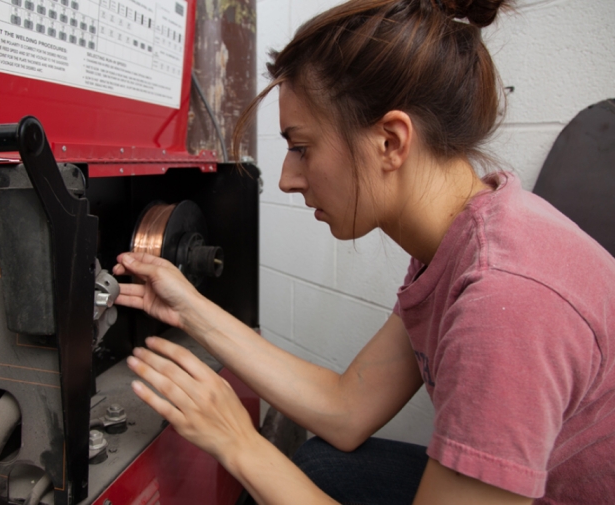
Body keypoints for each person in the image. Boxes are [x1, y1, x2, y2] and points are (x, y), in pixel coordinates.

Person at [111, 0, 615, 503]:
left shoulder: (505, 298)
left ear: (391, 142)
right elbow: (348, 408)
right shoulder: (462, 240)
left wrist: (237, 442)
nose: (287, 179)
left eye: (301, 147)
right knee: (320, 461)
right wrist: (190, 308)